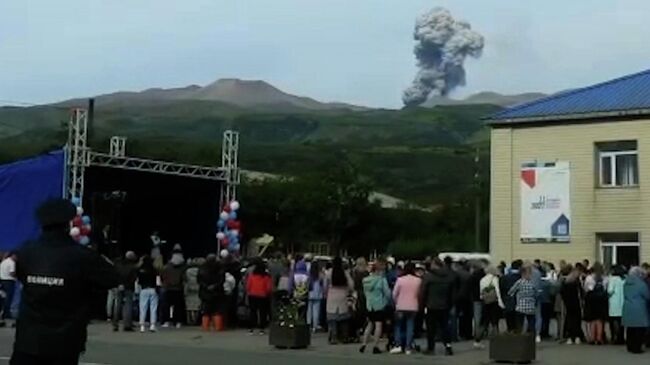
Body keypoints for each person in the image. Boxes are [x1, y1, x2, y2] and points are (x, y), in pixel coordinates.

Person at [10, 199, 119, 365]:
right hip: (65, 340)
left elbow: (20, 275)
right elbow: (112, 278)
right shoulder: (82, 256)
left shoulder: (27, 252)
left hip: (28, 341)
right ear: (69, 223)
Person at [421, 257, 455, 356]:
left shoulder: (429, 276)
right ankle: (448, 346)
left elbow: (423, 292)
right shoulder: (448, 276)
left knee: (431, 328)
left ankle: (431, 348)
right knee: (445, 327)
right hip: (444, 306)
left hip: (431, 305)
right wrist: (450, 304)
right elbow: (452, 293)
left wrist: (423, 304)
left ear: (435, 265)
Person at [360, 259, 391, 354]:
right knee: (378, 325)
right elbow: (387, 293)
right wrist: (387, 301)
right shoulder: (381, 280)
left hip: (369, 305)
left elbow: (365, 293)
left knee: (369, 324)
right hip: (379, 305)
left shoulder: (365, 280)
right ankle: (375, 346)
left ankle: (364, 344)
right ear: (379, 270)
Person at [390, 262, 422, 355]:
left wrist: (396, 302)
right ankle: (408, 347)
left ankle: (398, 345)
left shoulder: (400, 279)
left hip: (401, 306)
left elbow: (394, 294)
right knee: (410, 326)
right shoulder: (418, 280)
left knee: (398, 326)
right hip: (413, 306)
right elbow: (419, 294)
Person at [325, 256, 354, 344]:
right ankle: (344, 337)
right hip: (342, 295)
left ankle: (333, 336)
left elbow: (325, 284)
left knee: (332, 318)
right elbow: (351, 285)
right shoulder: (345, 273)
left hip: (332, 296)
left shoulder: (329, 273)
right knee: (343, 318)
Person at [474, 265, 504, 347]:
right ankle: (496, 339)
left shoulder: (482, 279)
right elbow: (497, 291)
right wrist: (500, 302)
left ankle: (477, 340)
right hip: (494, 302)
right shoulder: (494, 279)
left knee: (484, 322)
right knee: (495, 321)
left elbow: (481, 293)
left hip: (485, 302)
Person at [622, 266, 649, 354]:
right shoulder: (641, 284)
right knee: (639, 329)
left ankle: (630, 346)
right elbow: (647, 296)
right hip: (639, 308)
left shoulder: (626, 283)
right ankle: (637, 347)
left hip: (627, 307)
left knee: (630, 328)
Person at [112, 251, 138, 332]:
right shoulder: (133, 266)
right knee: (128, 306)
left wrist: (119, 284)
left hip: (118, 286)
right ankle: (127, 325)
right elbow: (133, 278)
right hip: (128, 287)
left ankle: (115, 324)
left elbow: (115, 274)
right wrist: (126, 285)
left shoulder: (118, 264)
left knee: (117, 305)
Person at [198, 255, 226, 331]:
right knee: (217, 310)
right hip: (217, 292)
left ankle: (205, 327)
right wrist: (215, 286)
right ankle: (217, 327)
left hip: (205, 292)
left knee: (206, 310)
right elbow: (222, 280)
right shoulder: (220, 268)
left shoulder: (202, 268)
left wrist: (206, 286)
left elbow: (199, 280)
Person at [583, 262, 608, 345]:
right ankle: (599, 338)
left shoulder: (589, 278)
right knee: (600, 320)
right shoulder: (605, 278)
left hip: (591, 300)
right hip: (601, 300)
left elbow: (586, 288)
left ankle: (592, 338)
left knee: (592, 320)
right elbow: (606, 288)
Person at [508, 264, 537, 335]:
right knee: (531, 324)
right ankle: (531, 339)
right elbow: (536, 293)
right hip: (531, 308)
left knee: (519, 324)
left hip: (520, 307)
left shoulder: (519, 282)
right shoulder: (533, 283)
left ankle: (519, 339)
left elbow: (510, 292)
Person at [161, 251, 186, 328]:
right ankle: (178, 321)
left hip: (168, 288)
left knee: (167, 306)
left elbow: (162, 277)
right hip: (178, 289)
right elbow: (184, 278)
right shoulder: (182, 268)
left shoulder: (166, 267)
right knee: (178, 306)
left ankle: (167, 321)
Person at [246, 260, 272, 335]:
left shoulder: (252, 275)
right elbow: (269, 288)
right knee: (262, 312)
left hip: (252, 295)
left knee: (252, 312)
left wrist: (249, 291)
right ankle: (262, 329)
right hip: (263, 296)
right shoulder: (266, 276)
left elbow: (248, 286)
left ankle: (251, 328)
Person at [561, 265, 584, 344]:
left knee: (569, 320)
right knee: (577, 320)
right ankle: (577, 337)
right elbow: (581, 293)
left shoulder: (566, 281)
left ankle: (570, 337)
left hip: (568, 304)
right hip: (576, 303)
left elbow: (562, 293)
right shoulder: (577, 282)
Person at [137, 255, 159, 333]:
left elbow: (138, 282)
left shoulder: (140, 270)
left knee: (143, 308)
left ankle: (142, 326)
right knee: (153, 308)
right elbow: (158, 281)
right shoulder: (154, 270)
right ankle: (152, 325)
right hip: (153, 289)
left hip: (143, 289)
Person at [500, 260, 521, 332]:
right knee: (518, 319)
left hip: (507, 300)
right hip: (519, 300)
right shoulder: (521, 277)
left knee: (509, 318)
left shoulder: (505, 277)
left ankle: (510, 331)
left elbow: (501, 289)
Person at [607, 265, 625, 345]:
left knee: (613, 321)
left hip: (614, 303)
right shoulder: (624, 279)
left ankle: (614, 337)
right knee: (621, 322)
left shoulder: (612, 279)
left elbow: (610, 291)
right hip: (622, 303)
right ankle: (621, 338)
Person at [307, 261, 325, 333]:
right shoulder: (320, 274)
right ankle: (315, 325)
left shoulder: (309, 274)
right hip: (317, 293)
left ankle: (308, 324)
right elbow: (323, 284)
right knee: (316, 310)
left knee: (309, 310)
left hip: (310, 293)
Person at [184, 258, 202, 326]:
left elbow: (186, 281)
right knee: (197, 306)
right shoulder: (200, 271)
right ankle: (196, 320)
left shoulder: (187, 271)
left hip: (189, 290)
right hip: (198, 289)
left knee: (189, 306)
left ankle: (189, 321)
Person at [0, 252, 17, 321]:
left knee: (3, 299)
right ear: (13, 255)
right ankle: (6, 314)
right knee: (8, 299)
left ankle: (3, 313)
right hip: (9, 282)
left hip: (2, 281)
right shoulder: (12, 263)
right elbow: (12, 273)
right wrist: (17, 276)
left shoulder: (3, 262)